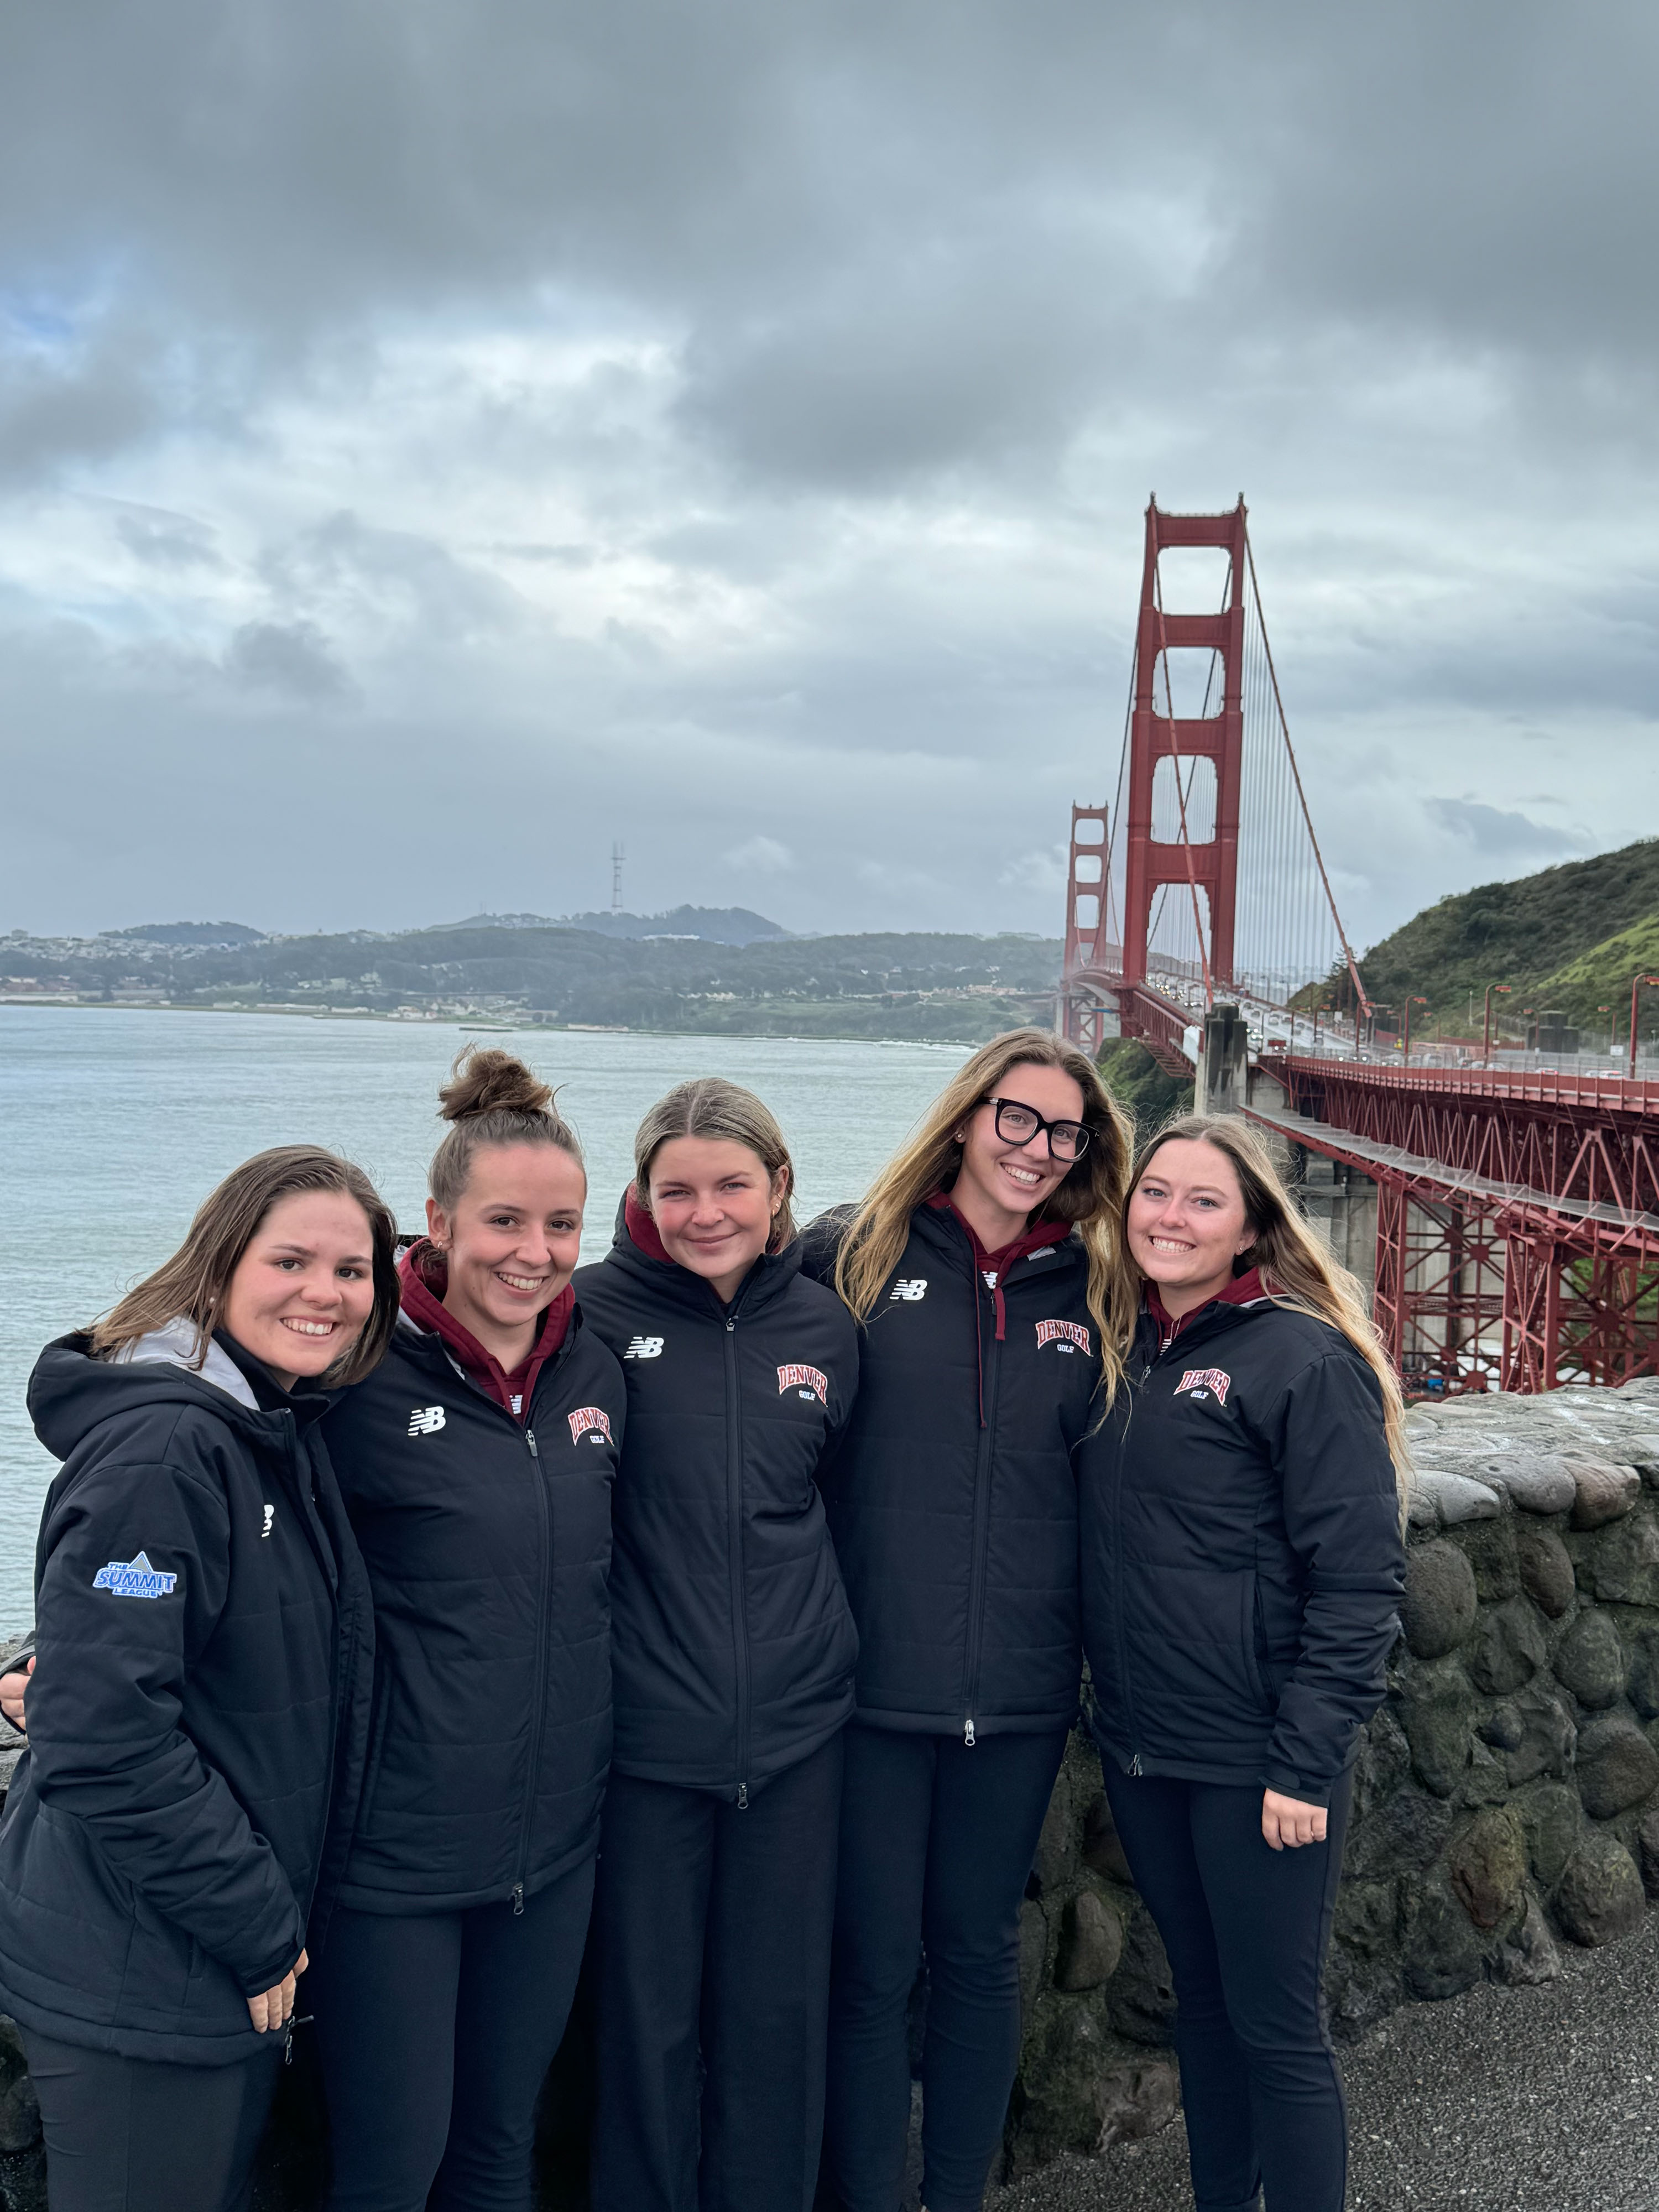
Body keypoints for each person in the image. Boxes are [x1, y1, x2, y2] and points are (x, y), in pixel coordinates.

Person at [0, 1147, 395, 2212]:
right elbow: (100, 1736)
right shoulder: (170, 1447)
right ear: (220, 1265)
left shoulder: (265, 1426)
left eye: (352, 1271)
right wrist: (258, 1925)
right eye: (291, 1261)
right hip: (144, 1968)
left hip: (184, 1956)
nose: (325, 1293)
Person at [802, 1027, 1134, 2212]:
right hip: (871, 1686)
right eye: (1017, 1118)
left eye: (1065, 1132)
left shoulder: (1100, 1287)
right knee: (870, 1968)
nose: (1038, 1148)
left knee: (981, 1953)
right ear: (964, 1117)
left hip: (1024, 1691)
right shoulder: (851, 1254)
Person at [305, 1048, 625, 2212]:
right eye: (503, 1221)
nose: (534, 1251)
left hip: (555, 1844)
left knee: (499, 2148)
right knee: (392, 2166)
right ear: (437, 1221)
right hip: (398, 1856)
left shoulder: (594, 1368)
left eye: (561, 1224)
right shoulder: (352, 1367)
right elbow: (211, 1504)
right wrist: (71, 1642)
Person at [1079, 1112, 1407, 2212]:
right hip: (1146, 1747)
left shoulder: (1302, 1359)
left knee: (1276, 2027)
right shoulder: (1125, 1343)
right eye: (1155, 1192)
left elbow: (1359, 1582)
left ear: (1252, 1227)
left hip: (1260, 1761)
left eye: (1203, 1200)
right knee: (1206, 2008)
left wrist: (1305, 1763)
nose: (1170, 1217)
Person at [575, 1078, 859, 2212]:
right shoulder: (585, 1315)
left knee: (779, 2019)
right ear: (643, 1194)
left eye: (733, 1185)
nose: (706, 1214)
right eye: (678, 1190)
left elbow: (838, 1499)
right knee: (643, 2024)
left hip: (798, 1735)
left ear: (779, 1185)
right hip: (645, 1739)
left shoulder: (826, 1325)